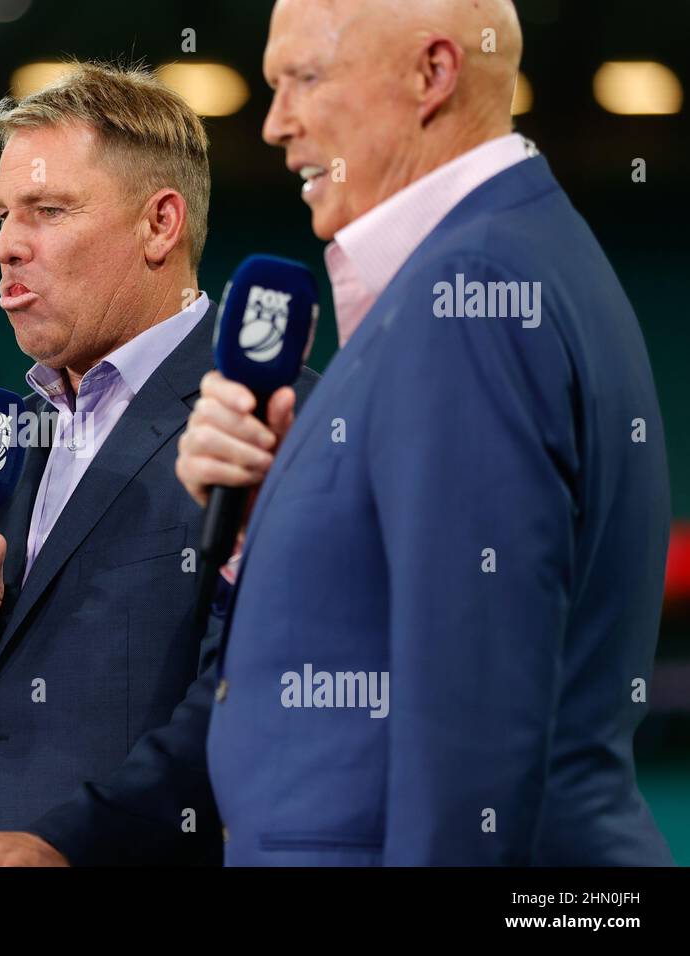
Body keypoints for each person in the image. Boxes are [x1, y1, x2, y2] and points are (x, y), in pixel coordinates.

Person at [177, 0, 673, 864]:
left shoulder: (467, 291)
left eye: (304, 79)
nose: (275, 123)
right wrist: (268, 521)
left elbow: (473, 726)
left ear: (432, 74)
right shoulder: (503, 260)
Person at [0, 61, 316, 866]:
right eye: (2, 214)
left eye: (47, 210)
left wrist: (58, 848)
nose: (6, 244)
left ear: (159, 224)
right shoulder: (0, 438)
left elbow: (271, 713)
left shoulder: (278, 421)